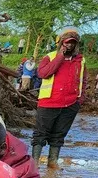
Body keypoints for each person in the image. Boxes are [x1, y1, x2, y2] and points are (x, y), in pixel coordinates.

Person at [31, 26, 85, 170]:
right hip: (49, 102)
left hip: (70, 104)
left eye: (72, 43)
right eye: (67, 42)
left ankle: (52, 162)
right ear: (61, 43)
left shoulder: (80, 60)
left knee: (59, 135)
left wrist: (80, 100)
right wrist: (60, 57)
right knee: (40, 134)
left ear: (76, 44)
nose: (69, 45)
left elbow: (83, 81)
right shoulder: (50, 57)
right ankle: (34, 163)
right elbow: (43, 73)